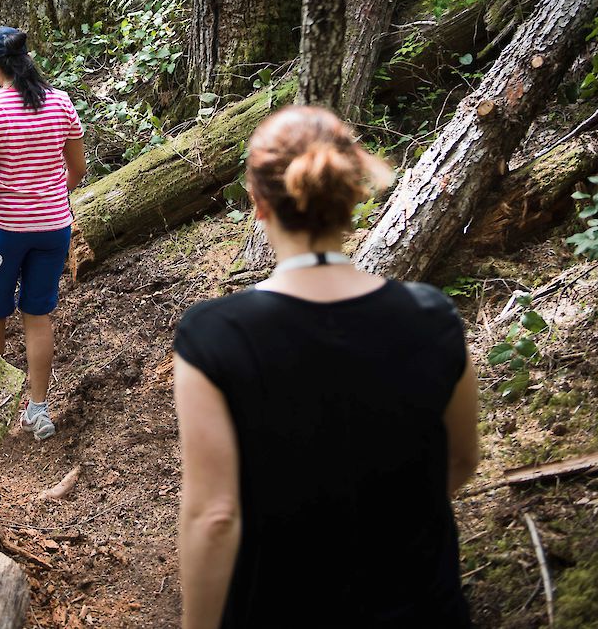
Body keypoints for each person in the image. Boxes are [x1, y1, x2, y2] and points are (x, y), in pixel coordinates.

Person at [173, 105, 479, 629]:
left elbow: (214, 516)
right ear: (351, 197)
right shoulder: (434, 318)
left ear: (257, 204)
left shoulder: (214, 335)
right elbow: (459, 463)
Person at [0, 27, 86, 442]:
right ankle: (38, 410)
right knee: (38, 315)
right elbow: (78, 169)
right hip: (54, 228)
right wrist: (52, 196)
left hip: (5, 229)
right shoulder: (60, 102)